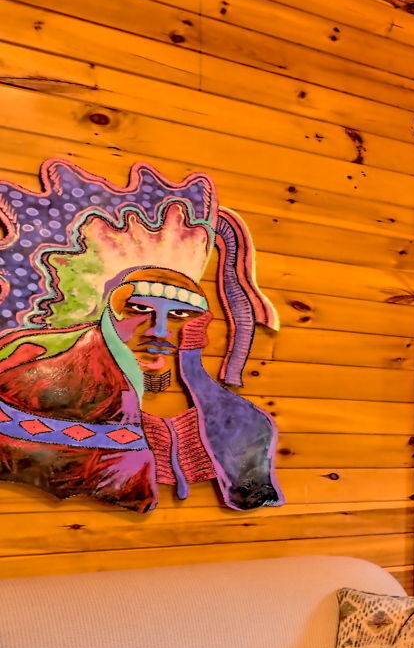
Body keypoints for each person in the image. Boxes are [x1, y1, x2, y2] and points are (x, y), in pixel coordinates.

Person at [0, 161, 282, 512]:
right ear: (101, 312)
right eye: (137, 309)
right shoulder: (33, 393)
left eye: (179, 316)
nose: (158, 331)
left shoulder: (246, 427)